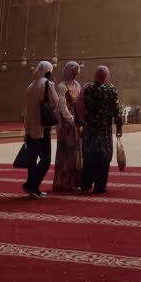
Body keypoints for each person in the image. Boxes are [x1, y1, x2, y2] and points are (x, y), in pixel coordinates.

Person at [76, 65, 122, 192]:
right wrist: (119, 127)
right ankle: (100, 186)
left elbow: (79, 107)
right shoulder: (111, 89)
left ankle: (86, 184)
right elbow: (117, 110)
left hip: (90, 129)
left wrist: (80, 123)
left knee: (90, 156)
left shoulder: (87, 87)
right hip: (104, 131)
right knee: (103, 157)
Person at [23, 60, 60, 197]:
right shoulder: (47, 84)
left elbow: (27, 111)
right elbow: (55, 102)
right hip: (43, 128)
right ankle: (32, 185)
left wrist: (26, 130)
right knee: (45, 160)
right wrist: (52, 84)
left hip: (31, 128)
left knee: (32, 160)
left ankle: (33, 188)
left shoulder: (31, 86)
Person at [53, 61, 82, 192]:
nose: (77, 74)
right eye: (74, 71)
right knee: (66, 153)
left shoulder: (77, 85)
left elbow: (80, 103)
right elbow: (62, 107)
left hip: (76, 124)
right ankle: (64, 183)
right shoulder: (62, 86)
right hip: (66, 126)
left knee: (75, 154)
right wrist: (71, 120)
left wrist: (80, 120)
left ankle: (74, 182)